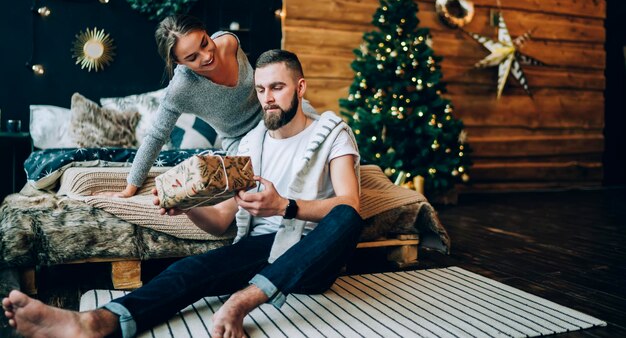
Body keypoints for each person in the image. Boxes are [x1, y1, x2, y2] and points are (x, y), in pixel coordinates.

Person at [3, 49, 364, 338]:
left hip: (314, 253)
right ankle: (95, 323)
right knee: (190, 268)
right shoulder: (252, 144)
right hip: (263, 250)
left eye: (278, 88)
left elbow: (349, 204)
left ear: (300, 88)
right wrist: (186, 206)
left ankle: (242, 301)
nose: (267, 99)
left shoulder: (332, 133)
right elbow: (224, 220)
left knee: (348, 218)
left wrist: (285, 207)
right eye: (260, 89)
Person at [113, 14, 263, 198]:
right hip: (241, 139)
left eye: (205, 43)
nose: (207, 56)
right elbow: (155, 137)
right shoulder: (180, 90)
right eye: (192, 57)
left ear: (206, 32)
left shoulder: (229, 41)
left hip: (273, 114)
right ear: (179, 62)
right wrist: (130, 187)